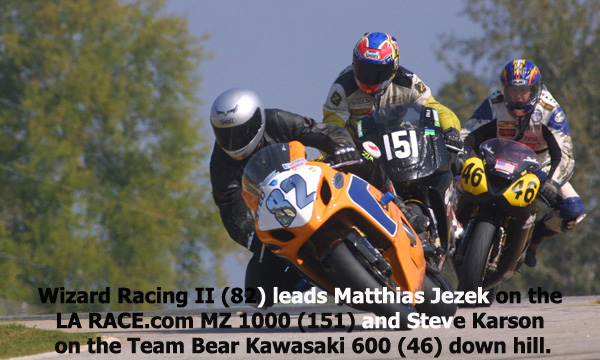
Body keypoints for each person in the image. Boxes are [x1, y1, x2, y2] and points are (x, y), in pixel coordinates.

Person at [210, 87, 391, 307]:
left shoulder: (277, 120)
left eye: (241, 131)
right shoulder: (221, 165)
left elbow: (322, 132)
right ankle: (314, 276)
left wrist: (341, 146)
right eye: (225, 134)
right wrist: (255, 238)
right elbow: (233, 215)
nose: (233, 140)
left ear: (257, 121)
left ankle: (396, 205)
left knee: (364, 156)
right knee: (256, 291)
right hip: (280, 217)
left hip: (310, 186)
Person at [459, 59, 586, 267]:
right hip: (496, 160)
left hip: (537, 167)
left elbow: (565, 155)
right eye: (512, 91)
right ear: (504, 89)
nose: (518, 97)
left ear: (535, 89)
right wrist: (459, 156)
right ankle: (452, 227)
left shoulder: (550, 110)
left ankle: (533, 240)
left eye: (524, 91)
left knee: (574, 210)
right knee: (456, 176)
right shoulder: (494, 103)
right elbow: (468, 134)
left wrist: (553, 183)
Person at [322, 32, 462, 149]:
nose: (369, 77)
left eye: (378, 71)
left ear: (394, 67)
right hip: (356, 153)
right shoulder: (342, 87)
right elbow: (331, 127)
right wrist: (341, 149)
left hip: (399, 150)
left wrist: (451, 130)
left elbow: (436, 109)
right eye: (363, 68)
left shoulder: (408, 82)